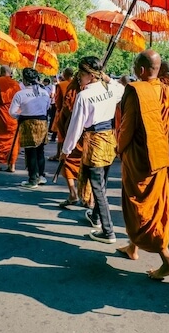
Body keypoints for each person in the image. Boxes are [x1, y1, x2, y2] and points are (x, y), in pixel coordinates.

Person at [117, 49, 169, 279]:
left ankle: (167, 260)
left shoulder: (134, 90)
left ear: (140, 70)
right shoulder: (165, 89)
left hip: (139, 159)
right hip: (160, 157)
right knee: (152, 207)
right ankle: (132, 247)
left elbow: (127, 127)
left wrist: (119, 148)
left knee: (141, 210)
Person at [60, 56, 125, 244]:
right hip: (108, 141)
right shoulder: (110, 89)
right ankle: (96, 217)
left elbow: (76, 126)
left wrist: (67, 149)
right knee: (101, 184)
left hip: (95, 142)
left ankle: (108, 231)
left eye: (81, 73)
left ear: (91, 75)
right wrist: (108, 80)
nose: (79, 77)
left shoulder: (84, 95)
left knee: (98, 188)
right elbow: (122, 89)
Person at [55, 76, 93, 208]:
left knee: (67, 160)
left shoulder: (76, 92)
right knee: (90, 166)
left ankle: (73, 193)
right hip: (93, 134)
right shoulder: (98, 90)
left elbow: (63, 107)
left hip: (76, 130)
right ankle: (90, 199)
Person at [9, 68, 51, 189]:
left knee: (30, 151)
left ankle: (33, 179)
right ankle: (41, 176)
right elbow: (47, 106)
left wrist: (21, 115)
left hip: (28, 123)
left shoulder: (20, 94)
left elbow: (12, 112)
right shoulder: (44, 92)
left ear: (24, 79)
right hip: (42, 122)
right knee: (40, 151)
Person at [0, 65, 21, 172]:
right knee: (13, 141)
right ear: (10, 73)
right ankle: (12, 165)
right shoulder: (16, 84)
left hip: (0, 116)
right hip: (13, 117)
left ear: (0, 72)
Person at [49, 67, 74, 162]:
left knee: (61, 135)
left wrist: (59, 110)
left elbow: (58, 101)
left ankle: (58, 154)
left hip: (62, 112)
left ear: (64, 75)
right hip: (74, 113)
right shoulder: (77, 84)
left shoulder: (61, 85)